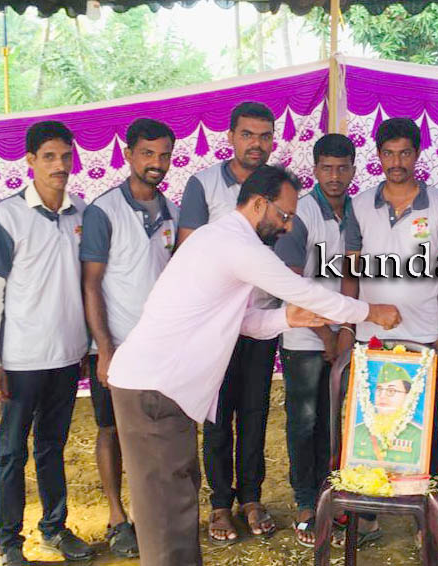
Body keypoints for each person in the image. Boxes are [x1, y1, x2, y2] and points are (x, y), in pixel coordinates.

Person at [106, 165, 402, 566]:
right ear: (260, 204)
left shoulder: (219, 239)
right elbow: (303, 291)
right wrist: (370, 312)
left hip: (158, 389)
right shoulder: (236, 245)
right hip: (153, 389)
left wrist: (286, 319)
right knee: (165, 515)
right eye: (285, 215)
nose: (288, 226)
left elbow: (239, 321)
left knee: (177, 501)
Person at [335, 116, 438, 547]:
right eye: (388, 154)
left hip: (424, 338)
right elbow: (350, 273)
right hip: (369, 340)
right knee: (367, 426)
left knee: (422, 429)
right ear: (378, 156)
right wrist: (347, 325)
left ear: (417, 155)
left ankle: (424, 521)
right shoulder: (359, 206)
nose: (396, 162)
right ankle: (367, 518)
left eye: (404, 153)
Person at [0, 121, 94, 566]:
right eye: (49, 157)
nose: (59, 165)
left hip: (66, 355)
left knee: (52, 446)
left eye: (66, 156)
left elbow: (88, 285)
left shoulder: (82, 214)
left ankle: (54, 530)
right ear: (30, 161)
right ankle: (9, 544)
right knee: (11, 451)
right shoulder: (6, 215)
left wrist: (86, 346)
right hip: (21, 358)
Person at [177, 101, 284, 543]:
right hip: (216, 326)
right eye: (247, 134)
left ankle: (252, 498)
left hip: (263, 319)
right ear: (231, 137)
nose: (256, 143)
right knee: (218, 414)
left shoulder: (279, 187)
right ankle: (220, 503)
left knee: (255, 411)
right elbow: (187, 254)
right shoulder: (204, 185)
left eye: (264, 136)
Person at [80, 117, 180, 558]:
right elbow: (90, 284)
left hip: (159, 347)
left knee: (158, 431)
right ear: (128, 155)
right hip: (116, 345)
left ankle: (153, 514)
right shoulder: (103, 211)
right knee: (111, 429)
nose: (156, 162)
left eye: (164, 155)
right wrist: (104, 348)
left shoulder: (172, 213)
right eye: (147, 153)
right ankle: (118, 517)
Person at [273, 133, 356, 547]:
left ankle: (330, 496)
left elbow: (355, 275)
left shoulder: (357, 212)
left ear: (353, 170)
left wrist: (346, 333)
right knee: (303, 422)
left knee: (333, 421)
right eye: (327, 168)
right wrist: (326, 335)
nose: (335, 176)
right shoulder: (302, 213)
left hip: (342, 338)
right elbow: (290, 283)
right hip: (304, 339)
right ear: (316, 169)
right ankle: (306, 503)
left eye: (342, 168)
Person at [351, 362, 426, 464]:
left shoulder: (418, 436)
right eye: (379, 389)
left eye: (391, 391)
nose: (382, 396)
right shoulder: (357, 432)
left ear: (408, 396)